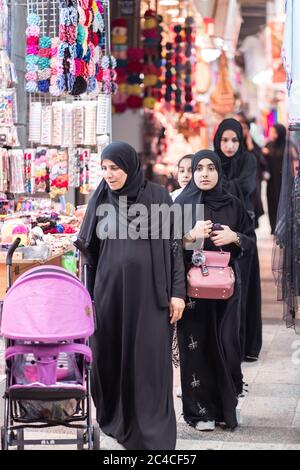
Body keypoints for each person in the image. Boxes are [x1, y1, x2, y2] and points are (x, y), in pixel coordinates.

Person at [75, 141, 186, 450]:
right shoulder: (101, 199)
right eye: (105, 169)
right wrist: (86, 297)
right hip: (110, 294)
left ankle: (150, 426)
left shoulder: (158, 196)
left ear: (131, 166)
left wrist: (178, 293)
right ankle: (116, 418)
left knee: (148, 358)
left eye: (115, 168)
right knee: (111, 355)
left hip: (150, 294)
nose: (109, 175)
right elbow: (90, 253)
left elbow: (174, 248)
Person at [176, 150, 255, 431]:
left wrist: (235, 237)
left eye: (211, 168)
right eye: (200, 168)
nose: (205, 174)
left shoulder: (232, 203)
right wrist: (190, 236)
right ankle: (200, 413)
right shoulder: (182, 204)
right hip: (193, 292)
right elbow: (167, 248)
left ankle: (225, 408)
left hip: (227, 290)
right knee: (195, 348)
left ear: (219, 172)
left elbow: (250, 239)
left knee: (227, 346)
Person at [214, 118, 262, 361]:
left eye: (234, 140)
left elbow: (246, 186)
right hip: (218, 231)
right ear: (217, 140)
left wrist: (221, 186)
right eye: (225, 140)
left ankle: (244, 346)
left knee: (243, 289)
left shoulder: (248, 160)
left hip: (242, 231)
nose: (230, 145)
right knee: (221, 287)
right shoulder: (211, 162)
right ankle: (222, 345)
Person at [235, 112, 268, 228]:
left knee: (251, 212)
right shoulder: (233, 144)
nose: (242, 131)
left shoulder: (252, 144)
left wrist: (250, 146)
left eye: (244, 128)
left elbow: (261, 161)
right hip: (237, 184)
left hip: (252, 183)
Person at [262, 124, 292, 234]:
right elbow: (263, 161)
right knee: (271, 203)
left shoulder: (287, 146)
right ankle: (274, 227)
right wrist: (264, 154)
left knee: (283, 203)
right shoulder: (268, 145)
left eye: (274, 132)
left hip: (283, 181)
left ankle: (283, 228)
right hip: (271, 181)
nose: (271, 134)